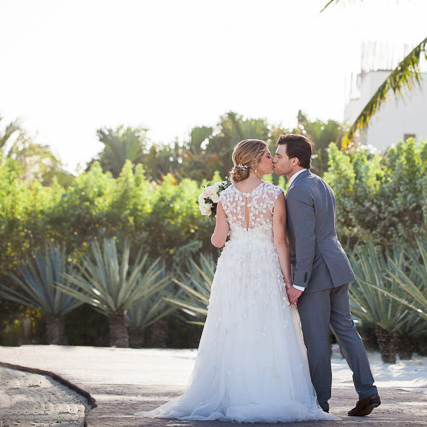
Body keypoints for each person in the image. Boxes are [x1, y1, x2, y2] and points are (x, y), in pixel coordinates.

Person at [135, 139, 336, 423]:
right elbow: (280, 241)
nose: (271, 160)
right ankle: (266, 391)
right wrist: (289, 281)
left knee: (232, 323)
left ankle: (230, 393)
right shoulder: (275, 193)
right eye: (267, 156)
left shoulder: (225, 196)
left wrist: (218, 217)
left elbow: (217, 241)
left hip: (233, 265)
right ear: (254, 163)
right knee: (265, 323)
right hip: (265, 264)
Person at [273, 134, 381, 416]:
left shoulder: (296, 191)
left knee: (317, 339)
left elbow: (306, 240)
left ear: (294, 160)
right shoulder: (321, 183)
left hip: (316, 275)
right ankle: (368, 392)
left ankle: (319, 403)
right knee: (347, 332)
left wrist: (299, 282)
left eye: (279, 156)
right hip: (337, 268)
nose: (274, 160)